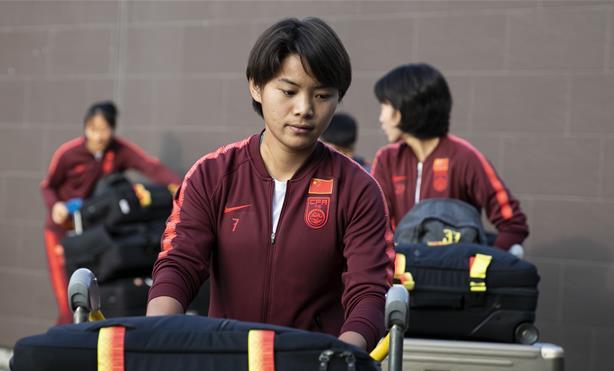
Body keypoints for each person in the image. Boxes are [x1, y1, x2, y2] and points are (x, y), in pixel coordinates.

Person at [147, 18, 394, 352]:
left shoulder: (358, 189)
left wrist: (341, 361)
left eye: (322, 95)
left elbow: (368, 293)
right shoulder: (212, 174)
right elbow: (179, 263)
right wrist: (156, 335)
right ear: (256, 87)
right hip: (226, 368)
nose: (305, 109)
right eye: (289, 92)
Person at [41, 101, 181, 325]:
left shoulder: (119, 151)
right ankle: (63, 351)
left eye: (104, 129)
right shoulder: (68, 154)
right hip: (62, 232)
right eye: (93, 129)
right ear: (85, 128)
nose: (98, 136)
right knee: (69, 302)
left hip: (92, 235)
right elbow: (48, 186)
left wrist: (182, 187)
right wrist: (55, 205)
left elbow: (151, 167)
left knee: (96, 301)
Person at [370, 63, 529, 250]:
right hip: (400, 274)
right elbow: (372, 223)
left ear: (403, 108)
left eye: (384, 107)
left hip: (450, 275)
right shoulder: (387, 159)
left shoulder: (464, 157)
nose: (381, 118)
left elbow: (513, 223)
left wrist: (483, 264)